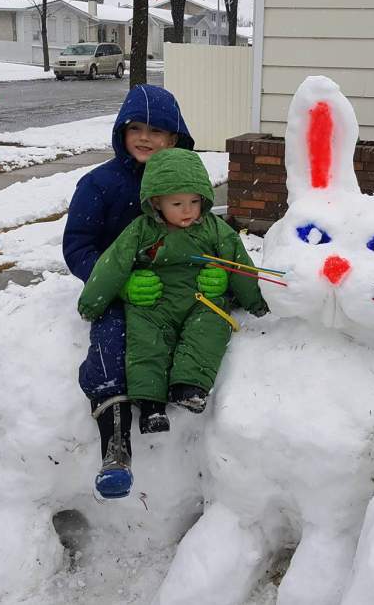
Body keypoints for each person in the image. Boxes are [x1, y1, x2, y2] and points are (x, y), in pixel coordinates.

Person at [78, 148, 268, 496]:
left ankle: (189, 386)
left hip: (200, 298)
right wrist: (94, 300)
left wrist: (254, 299)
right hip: (155, 301)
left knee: (210, 328)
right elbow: (114, 264)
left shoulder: (214, 229)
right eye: (177, 204)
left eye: (194, 202)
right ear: (156, 202)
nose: (187, 211)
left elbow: (238, 263)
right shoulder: (141, 231)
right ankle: (151, 405)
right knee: (145, 339)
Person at [63, 84, 213, 500]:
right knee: (112, 341)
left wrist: (214, 274)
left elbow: (212, 236)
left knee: (205, 330)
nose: (145, 138)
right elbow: (78, 247)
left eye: (157, 130)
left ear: (175, 137)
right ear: (121, 132)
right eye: (135, 128)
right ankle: (115, 444)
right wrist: (118, 281)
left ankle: (187, 399)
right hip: (118, 291)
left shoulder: (188, 182)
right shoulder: (99, 185)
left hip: (179, 290)